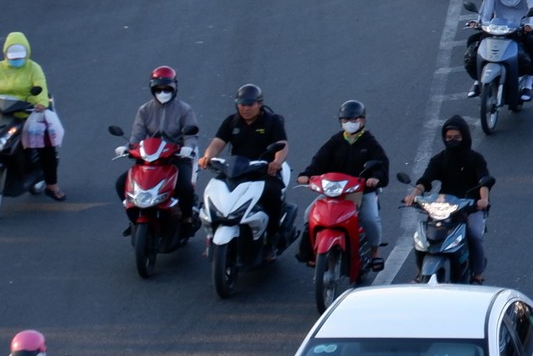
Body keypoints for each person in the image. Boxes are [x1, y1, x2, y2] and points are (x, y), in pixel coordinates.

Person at [296, 100, 390, 271]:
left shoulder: (370, 142)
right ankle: (312, 251)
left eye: (354, 120)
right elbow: (319, 160)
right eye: (346, 120)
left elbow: (381, 165)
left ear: (362, 120)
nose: (350, 123)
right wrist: (307, 175)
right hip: (335, 191)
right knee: (309, 214)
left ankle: (375, 253)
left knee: (370, 219)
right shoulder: (336, 141)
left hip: (361, 191)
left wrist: (375, 178)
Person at [197, 84, 291, 255]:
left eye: (250, 104)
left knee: (273, 195)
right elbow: (218, 143)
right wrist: (207, 156)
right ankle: (211, 237)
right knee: (213, 194)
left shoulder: (272, 121)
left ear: (259, 103)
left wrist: (276, 162)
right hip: (235, 170)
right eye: (242, 104)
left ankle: (271, 238)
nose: (246, 108)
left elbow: (282, 145)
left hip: (263, 171)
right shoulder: (231, 122)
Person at [405, 118, 492, 284]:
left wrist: (483, 199)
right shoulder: (439, 159)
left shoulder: (476, 159)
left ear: (464, 137)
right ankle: (419, 273)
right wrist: (413, 195)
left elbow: (484, 181)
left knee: (474, 235)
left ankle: (478, 274)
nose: (453, 140)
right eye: (449, 137)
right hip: (443, 206)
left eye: (457, 137)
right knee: (423, 237)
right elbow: (426, 180)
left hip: (470, 207)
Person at [122, 65, 200, 219]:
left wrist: (187, 148)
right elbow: (136, 136)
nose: (162, 93)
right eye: (158, 89)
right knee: (121, 184)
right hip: (150, 160)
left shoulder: (185, 110)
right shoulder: (144, 110)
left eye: (167, 89)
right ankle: (134, 219)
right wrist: (126, 148)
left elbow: (191, 136)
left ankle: (186, 218)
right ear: (152, 89)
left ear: (174, 88)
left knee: (185, 187)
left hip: (176, 158)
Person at [0, 31, 61, 200]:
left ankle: (52, 186)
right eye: (13, 57)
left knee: (46, 147)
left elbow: (41, 88)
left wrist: (41, 103)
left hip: (28, 112)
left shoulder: (33, 68)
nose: (16, 60)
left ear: (27, 54)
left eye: (19, 57)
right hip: (2, 112)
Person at [470, 0, 533, 104]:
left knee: (532, 45)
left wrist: (531, 25)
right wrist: (480, 24)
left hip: (520, 28)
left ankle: (528, 85)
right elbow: (486, 11)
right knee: (473, 43)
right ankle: (478, 81)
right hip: (497, 27)